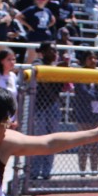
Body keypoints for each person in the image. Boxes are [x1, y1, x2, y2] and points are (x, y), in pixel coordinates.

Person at [72, 50, 98, 174]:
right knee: (83, 143)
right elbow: (84, 94)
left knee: (95, 144)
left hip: (97, 114)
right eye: (90, 58)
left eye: (95, 58)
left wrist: (97, 93)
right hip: (84, 114)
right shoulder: (80, 74)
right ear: (85, 60)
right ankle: (82, 171)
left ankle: (94, 170)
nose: (93, 61)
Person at [28, 41, 61, 180]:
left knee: (53, 140)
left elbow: (59, 88)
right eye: (51, 50)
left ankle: (47, 172)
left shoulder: (57, 67)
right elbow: (41, 78)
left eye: (55, 51)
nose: (54, 53)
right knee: (39, 140)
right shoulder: (37, 63)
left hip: (53, 107)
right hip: (40, 108)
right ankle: (34, 172)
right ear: (43, 52)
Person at [19, 0, 55, 64]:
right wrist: (28, 26)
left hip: (45, 39)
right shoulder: (31, 9)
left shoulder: (48, 11)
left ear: (46, 0)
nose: (40, 0)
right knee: (31, 59)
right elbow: (18, 16)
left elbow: (53, 20)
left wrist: (47, 26)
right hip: (34, 37)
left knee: (44, 59)